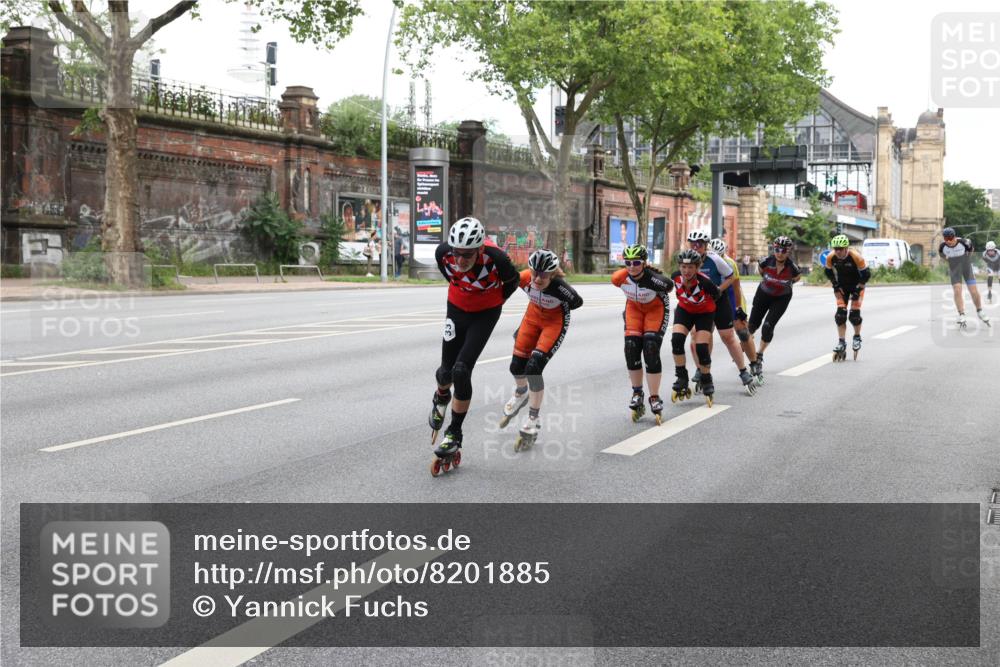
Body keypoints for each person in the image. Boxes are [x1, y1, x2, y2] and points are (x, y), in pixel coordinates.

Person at [429, 216, 520, 475]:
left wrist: (489, 298)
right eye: (457, 253)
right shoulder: (443, 253)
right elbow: (451, 275)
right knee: (445, 372)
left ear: (479, 249)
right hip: (457, 306)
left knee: (461, 370)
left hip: (486, 312)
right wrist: (465, 291)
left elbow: (511, 283)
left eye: (467, 255)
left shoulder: (497, 259)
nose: (460, 260)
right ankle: (441, 395)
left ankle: (454, 432)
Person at [500, 249, 583, 450]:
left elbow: (577, 302)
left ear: (553, 274)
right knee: (516, 366)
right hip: (532, 317)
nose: (537, 278)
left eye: (544, 275)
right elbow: (504, 289)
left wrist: (556, 299)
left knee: (534, 367)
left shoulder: (560, 287)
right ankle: (521, 392)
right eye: (535, 272)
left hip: (554, 322)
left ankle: (532, 419)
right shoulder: (525, 278)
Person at [687, 229, 756, 395]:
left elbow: (731, 276)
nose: (696, 247)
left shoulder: (714, 259)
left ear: (705, 245)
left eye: (700, 244)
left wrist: (718, 290)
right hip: (701, 304)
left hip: (719, 302)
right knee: (698, 336)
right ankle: (701, 370)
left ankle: (744, 372)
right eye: (693, 244)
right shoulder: (687, 258)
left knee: (727, 337)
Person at [611, 244, 673, 423]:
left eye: (636, 262)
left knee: (651, 347)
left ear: (644, 263)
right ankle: (637, 392)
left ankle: (654, 397)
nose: (631, 266)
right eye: (628, 262)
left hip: (656, 309)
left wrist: (650, 280)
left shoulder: (653, 279)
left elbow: (669, 285)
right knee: (631, 347)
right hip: (634, 309)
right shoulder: (618, 278)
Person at [669, 249, 722, 407]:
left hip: (705, 313)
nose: (686, 271)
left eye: (691, 267)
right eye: (683, 267)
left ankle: (706, 380)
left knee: (701, 348)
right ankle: (681, 377)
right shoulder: (675, 277)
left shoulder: (705, 282)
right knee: (676, 340)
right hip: (685, 310)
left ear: (698, 268)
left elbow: (717, 295)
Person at [711, 237, 760, 390]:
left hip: (732, 297)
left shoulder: (730, 263)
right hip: (714, 300)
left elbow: (736, 287)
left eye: (720, 256)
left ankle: (754, 363)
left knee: (743, 333)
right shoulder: (704, 261)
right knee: (705, 332)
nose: (717, 259)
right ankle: (703, 370)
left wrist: (738, 308)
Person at [748, 236, 802, 375]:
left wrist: (781, 285)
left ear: (788, 252)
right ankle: (747, 345)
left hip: (782, 298)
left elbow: (796, 278)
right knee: (752, 326)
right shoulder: (766, 261)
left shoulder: (792, 267)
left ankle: (759, 354)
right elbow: (761, 270)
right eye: (777, 249)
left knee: (767, 326)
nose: (780, 253)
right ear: (774, 249)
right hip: (763, 294)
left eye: (784, 250)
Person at [824, 234, 870, 360]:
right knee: (840, 315)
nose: (837, 251)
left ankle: (857, 337)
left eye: (840, 248)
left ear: (846, 248)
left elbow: (866, 275)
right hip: (842, 287)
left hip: (857, 285)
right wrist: (835, 284)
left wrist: (858, 288)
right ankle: (841, 342)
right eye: (836, 248)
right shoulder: (831, 257)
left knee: (854, 316)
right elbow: (828, 271)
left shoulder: (856, 256)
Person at [939, 227, 990, 327]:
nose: (948, 241)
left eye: (950, 238)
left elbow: (971, 251)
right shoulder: (942, 247)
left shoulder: (965, 242)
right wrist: (951, 262)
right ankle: (961, 314)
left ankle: (979, 310)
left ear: (954, 237)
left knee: (973, 291)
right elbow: (942, 256)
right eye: (946, 239)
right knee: (957, 290)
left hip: (967, 269)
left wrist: (965, 260)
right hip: (955, 270)